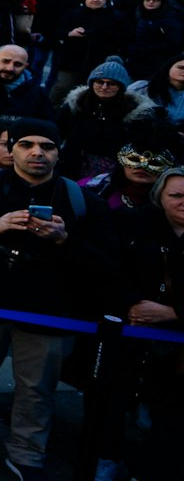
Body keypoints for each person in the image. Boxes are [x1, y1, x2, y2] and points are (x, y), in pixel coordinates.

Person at [0, 119, 116, 480]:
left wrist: (65, 241)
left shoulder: (82, 202)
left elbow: (107, 263)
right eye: (27, 144)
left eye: (47, 146)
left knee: (37, 387)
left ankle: (27, 452)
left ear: (59, 154)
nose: (36, 153)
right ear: (10, 148)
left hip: (48, 309)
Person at [117, 166, 184, 481]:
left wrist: (174, 313)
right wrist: (134, 305)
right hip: (132, 330)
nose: (183, 202)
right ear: (161, 197)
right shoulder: (137, 225)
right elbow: (112, 270)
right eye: (176, 195)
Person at [55, 55, 159, 179]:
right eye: (99, 82)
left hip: (114, 169)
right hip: (72, 164)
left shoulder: (134, 111)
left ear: (121, 87)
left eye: (111, 84)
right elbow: (57, 132)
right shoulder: (76, 104)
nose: (104, 87)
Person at [0, 44, 52, 120]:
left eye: (17, 64)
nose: (10, 68)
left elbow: (49, 125)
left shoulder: (38, 93)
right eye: (5, 61)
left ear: (25, 67)